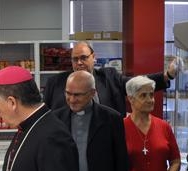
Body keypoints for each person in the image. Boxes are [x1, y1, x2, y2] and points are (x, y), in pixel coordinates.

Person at [43, 41, 179, 115]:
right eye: (75, 59)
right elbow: (44, 116)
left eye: (83, 58)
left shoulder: (109, 77)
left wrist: (167, 75)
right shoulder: (55, 83)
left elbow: (136, 84)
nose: (79, 63)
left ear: (93, 57)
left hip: (107, 143)